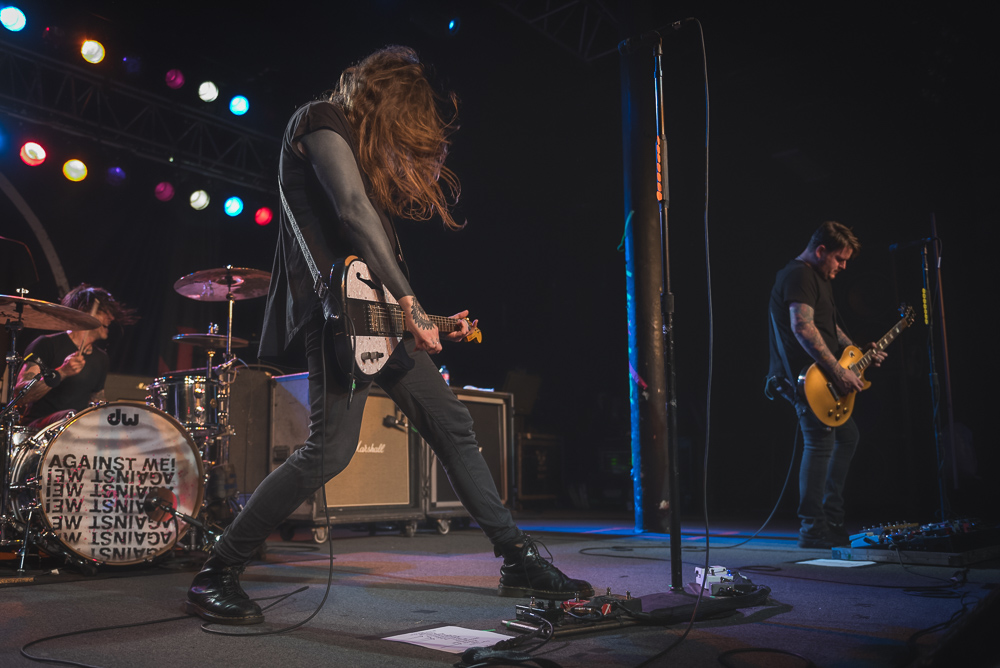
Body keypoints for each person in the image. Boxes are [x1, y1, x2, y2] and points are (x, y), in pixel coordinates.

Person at [184, 46, 594, 625]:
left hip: (375, 317)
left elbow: (369, 247)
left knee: (453, 426)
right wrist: (412, 304)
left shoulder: (355, 146)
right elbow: (352, 213)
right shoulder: (319, 119)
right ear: (384, 99)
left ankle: (517, 557)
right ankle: (217, 571)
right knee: (328, 451)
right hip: (334, 317)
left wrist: (422, 317)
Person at [766, 221, 885, 549]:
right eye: (839, 259)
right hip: (806, 378)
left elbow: (828, 327)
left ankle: (830, 518)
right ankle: (812, 527)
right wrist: (837, 371)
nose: (843, 267)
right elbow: (802, 328)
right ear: (821, 251)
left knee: (847, 436)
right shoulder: (799, 275)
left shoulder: (817, 278)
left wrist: (858, 356)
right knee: (819, 442)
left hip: (823, 374)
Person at [15, 284, 137, 428]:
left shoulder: (102, 358)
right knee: (70, 416)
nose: (111, 318)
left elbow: (96, 401)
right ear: (85, 312)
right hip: (39, 429)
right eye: (105, 312)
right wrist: (62, 372)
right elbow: (20, 396)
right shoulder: (47, 344)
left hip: (77, 433)